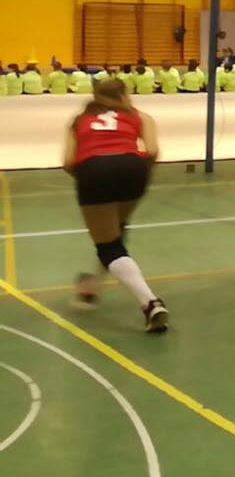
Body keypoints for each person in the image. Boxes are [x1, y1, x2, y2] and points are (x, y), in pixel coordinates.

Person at [64, 78, 169, 332]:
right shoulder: (140, 116)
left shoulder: (79, 120)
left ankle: (150, 304)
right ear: (123, 95)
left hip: (94, 169)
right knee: (116, 231)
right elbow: (153, 151)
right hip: (133, 167)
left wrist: (91, 177)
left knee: (108, 245)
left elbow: (67, 162)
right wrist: (136, 171)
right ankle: (91, 286)